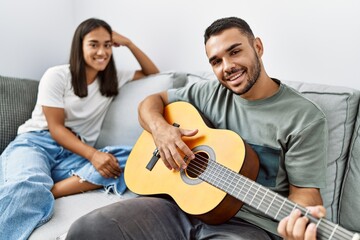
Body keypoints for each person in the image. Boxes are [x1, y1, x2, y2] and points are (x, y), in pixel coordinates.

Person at [66, 17, 327, 240]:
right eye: (216, 61)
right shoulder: (208, 92)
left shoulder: (304, 116)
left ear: (257, 47)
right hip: (178, 208)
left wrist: (299, 225)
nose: (227, 67)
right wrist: (162, 131)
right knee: (85, 230)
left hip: (249, 227)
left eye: (235, 52)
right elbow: (150, 103)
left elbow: (305, 194)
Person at [0, 18, 159, 240]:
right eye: (94, 44)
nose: (102, 51)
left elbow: (153, 73)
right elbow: (55, 128)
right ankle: (38, 188)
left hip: (74, 155)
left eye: (107, 44)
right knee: (26, 186)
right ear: (80, 46)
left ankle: (51, 190)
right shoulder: (57, 75)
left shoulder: (113, 79)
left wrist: (129, 43)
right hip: (37, 143)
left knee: (135, 157)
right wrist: (94, 155)